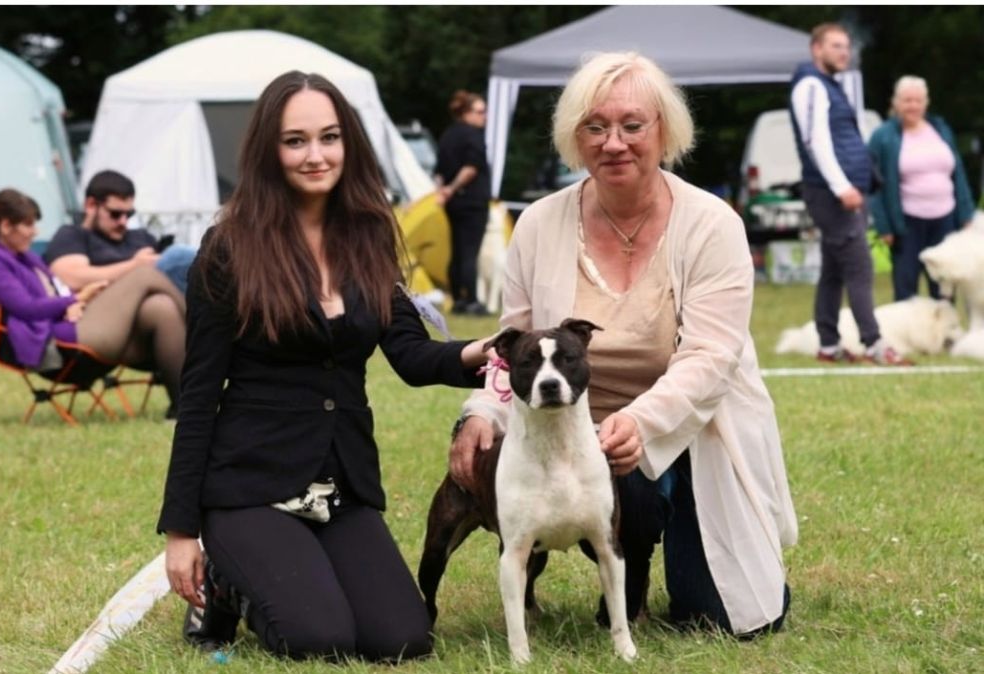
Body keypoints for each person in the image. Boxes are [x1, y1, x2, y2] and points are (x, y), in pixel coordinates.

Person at [450, 51, 798, 638]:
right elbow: (515, 342)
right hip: (575, 431)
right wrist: (482, 410)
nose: (614, 143)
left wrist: (640, 421)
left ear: (664, 131)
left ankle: (681, 539)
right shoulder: (536, 223)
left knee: (723, 619)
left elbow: (711, 357)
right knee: (623, 486)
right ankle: (618, 578)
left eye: (632, 125)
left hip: (694, 427)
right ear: (574, 137)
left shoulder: (713, 224)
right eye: (595, 127)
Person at [157, 71, 490, 663]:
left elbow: (411, 354)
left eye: (329, 137)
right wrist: (182, 532)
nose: (316, 155)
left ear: (348, 143)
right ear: (269, 150)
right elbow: (199, 393)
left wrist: (483, 352)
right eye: (296, 141)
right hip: (248, 486)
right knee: (319, 638)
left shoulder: (369, 236)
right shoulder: (229, 249)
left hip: (340, 484)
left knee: (402, 640)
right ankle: (225, 587)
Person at [0, 189, 186, 414]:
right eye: (29, 225)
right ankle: (204, 327)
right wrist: (75, 299)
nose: (35, 232)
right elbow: (26, 309)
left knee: (160, 307)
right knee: (145, 274)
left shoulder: (25, 257)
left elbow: (56, 291)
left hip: (75, 326)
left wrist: (72, 304)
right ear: (6, 226)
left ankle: (183, 409)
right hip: (60, 344)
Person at [789, 22, 907, 366]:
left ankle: (828, 345)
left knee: (834, 270)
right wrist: (841, 186)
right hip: (831, 193)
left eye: (846, 46)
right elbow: (815, 141)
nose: (844, 52)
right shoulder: (811, 85)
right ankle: (874, 344)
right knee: (859, 267)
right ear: (817, 49)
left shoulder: (830, 84)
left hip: (844, 191)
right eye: (835, 46)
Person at [868, 75, 976, 302]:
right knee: (906, 286)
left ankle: (945, 325)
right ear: (896, 103)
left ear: (926, 103)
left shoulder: (940, 129)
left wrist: (966, 213)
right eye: (907, 100)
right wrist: (884, 226)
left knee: (944, 287)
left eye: (918, 100)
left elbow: (958, 173)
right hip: (907, 222)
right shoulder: (883, 136)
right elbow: (873, 185)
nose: (913, 106)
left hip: (945, 219)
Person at [44, 170, 196, 294]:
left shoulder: (141, 236)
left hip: (165, 297)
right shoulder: (73, 235)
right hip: (113, 307)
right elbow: (70, 277)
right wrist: (135, 266)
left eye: (129, 214)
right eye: (115, 214)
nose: (123, 221)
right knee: (178, 255)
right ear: (91, 205)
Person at [434, 90, 491, 316]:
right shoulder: (473, 135)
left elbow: (439, 171)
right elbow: (470, 168)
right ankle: (472, 300)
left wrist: (443, 192)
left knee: (457, 250)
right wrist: (452, 188)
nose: (484, 116)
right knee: (469, 252)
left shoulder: (448, 135)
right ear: (466, 113)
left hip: (453, 203)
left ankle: (458, 298)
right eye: (480, 111)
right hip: (472, 201)